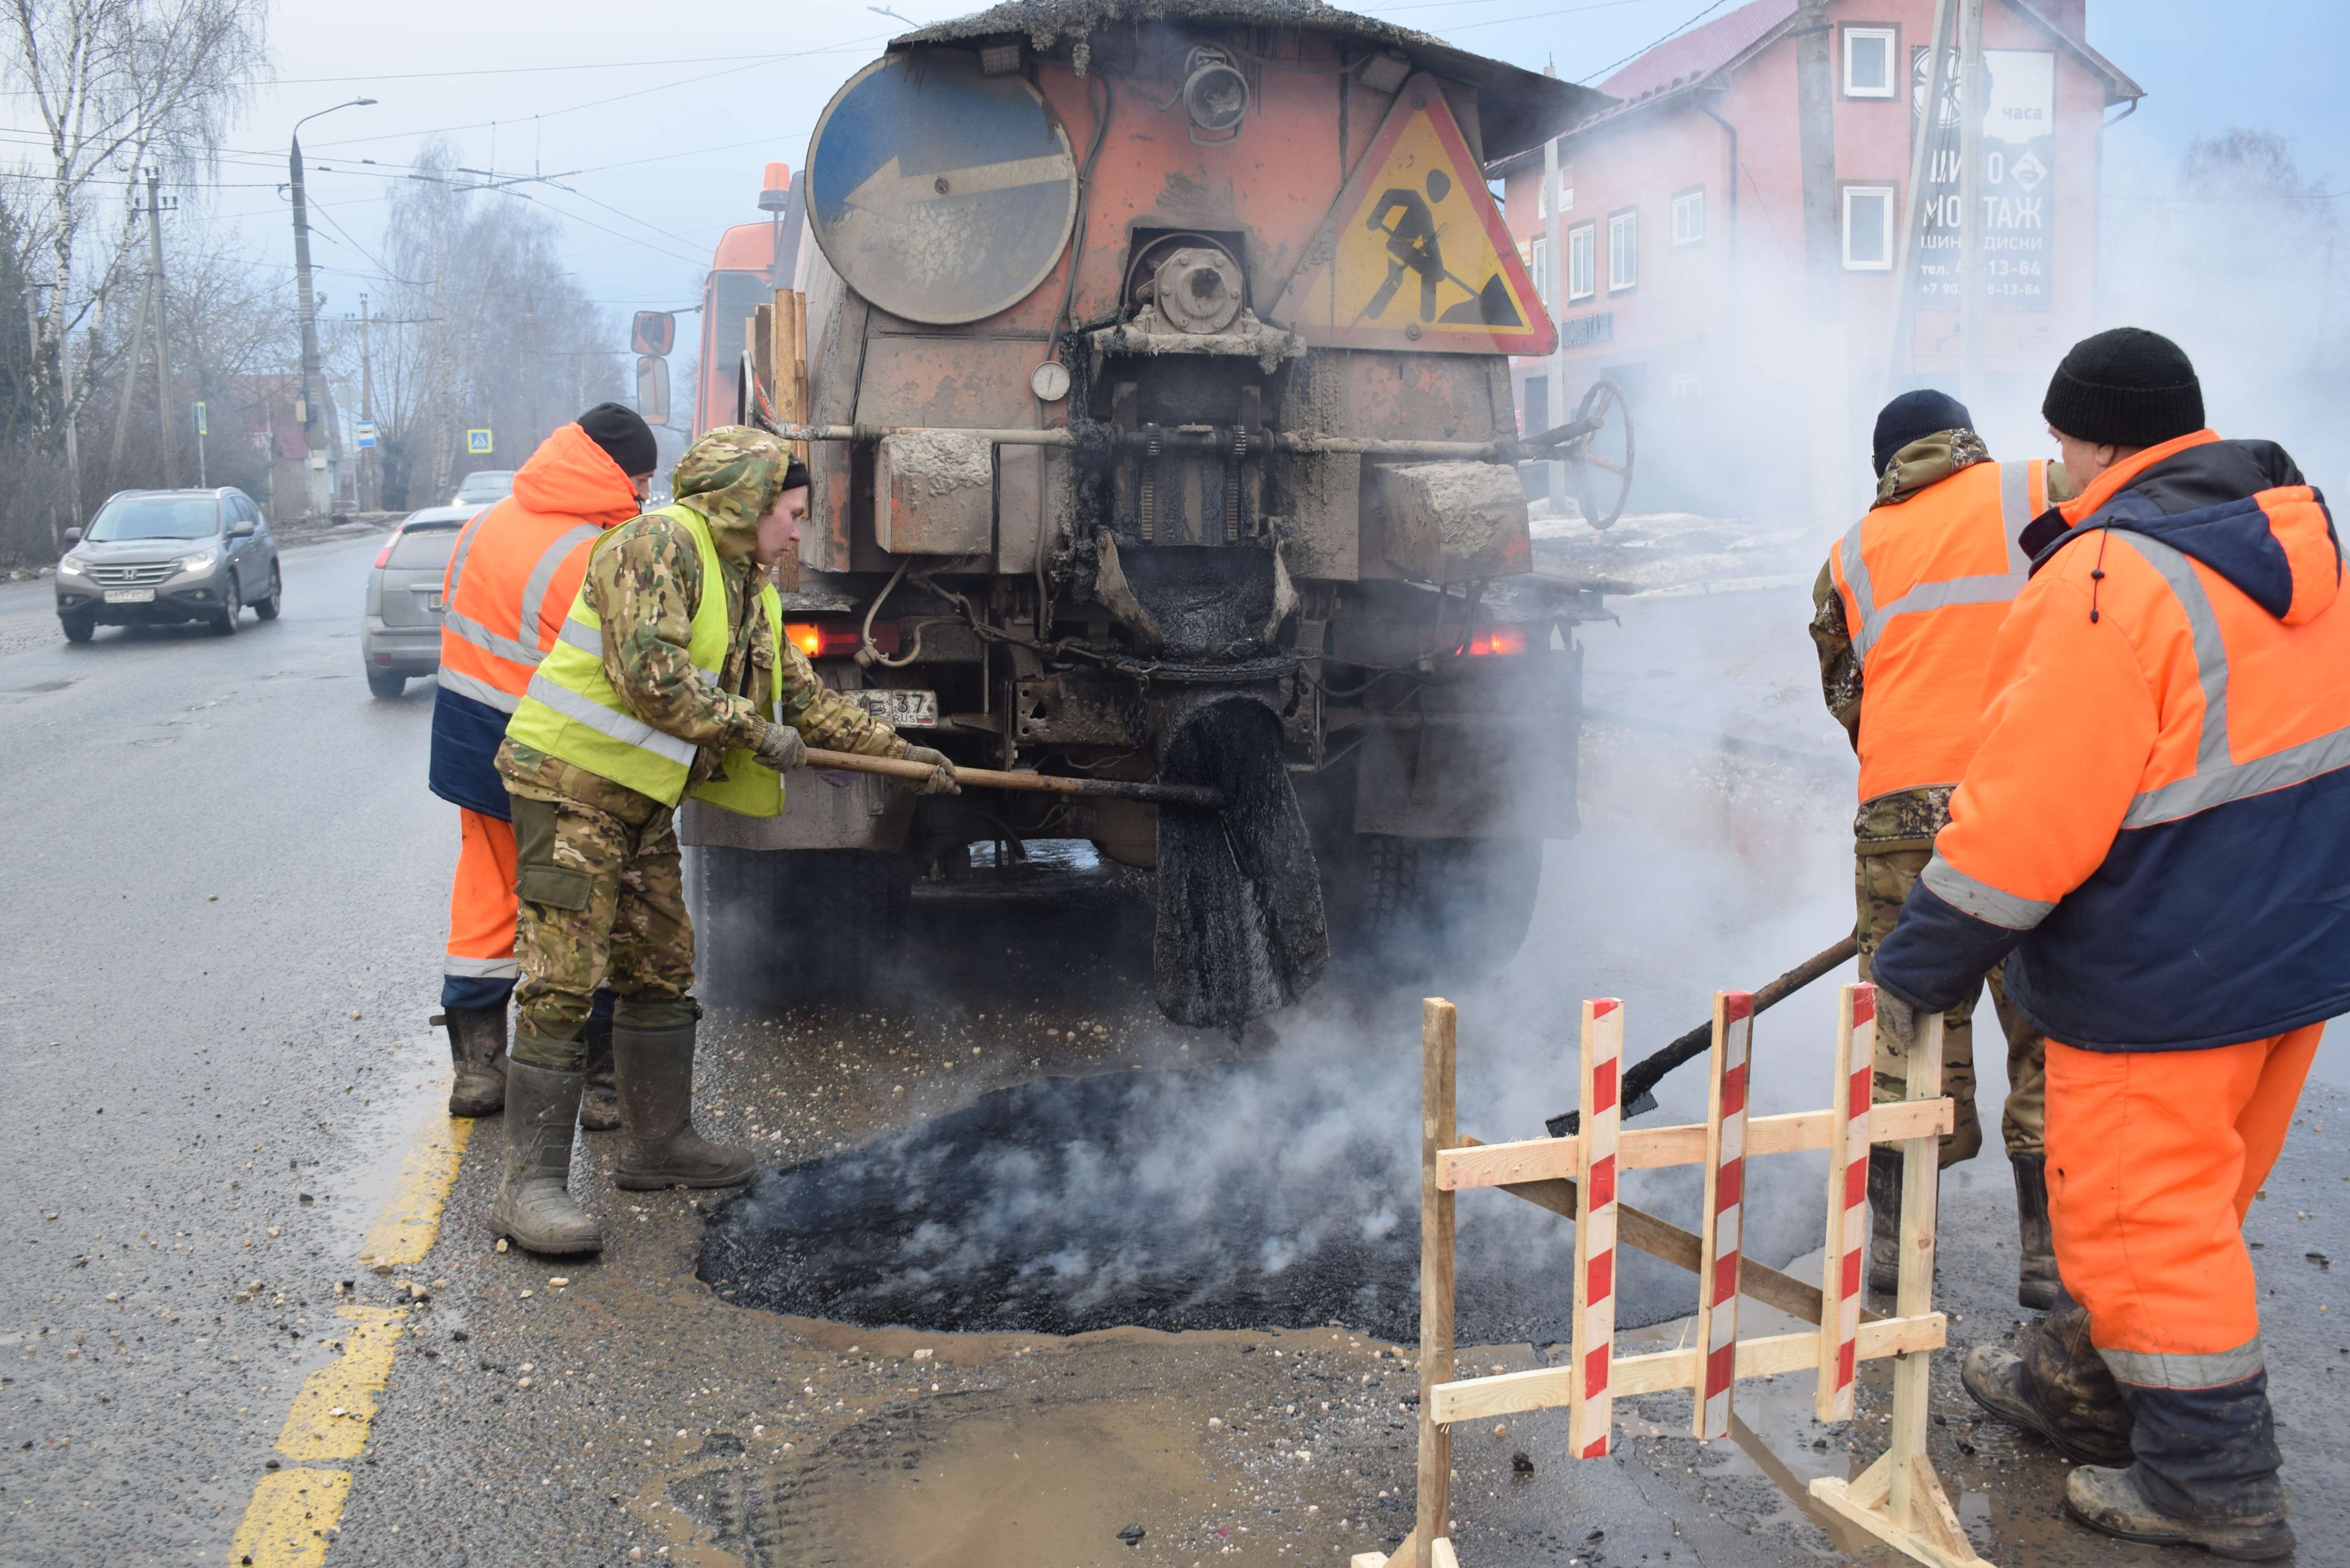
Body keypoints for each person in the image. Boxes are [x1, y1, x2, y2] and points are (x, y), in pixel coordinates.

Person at [1870, 328, 2349, 1560]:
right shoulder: (2292, 540)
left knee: (2141, 1221)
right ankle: (2083, 1388)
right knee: (2191, 1194)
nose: (2056, 465)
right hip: (2289, 950)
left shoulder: (2106, 579)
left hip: (2165, 972)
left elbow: (2026, 823)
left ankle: (2212, 1488)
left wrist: (1923, 958)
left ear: (2096, 437)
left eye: (2062, 440)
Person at [489, 426, 958, 1256]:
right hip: (569, 788)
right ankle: (527, 1189)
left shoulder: (749, 584)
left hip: (638, 803)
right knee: (563, 983)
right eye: (792, 512)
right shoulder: (654, 546)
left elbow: (808, 701)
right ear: (746, 499)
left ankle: (655, 1146)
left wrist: (905, 758)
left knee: (662, 966)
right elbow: (652, 678)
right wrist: (752, 729)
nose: (798, 530)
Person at [1809, 390, 2064, 1308]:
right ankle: (2047, 1256)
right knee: (2047, 1023)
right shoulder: (2045, 486)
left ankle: (1891, 1251)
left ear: (1887, 463)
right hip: (2028, 800)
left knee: (1908, 1021)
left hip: (1897, 822)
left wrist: (1913, 803)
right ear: (1966, 440)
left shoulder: (1849, 553)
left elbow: (1851, 698)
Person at [429, 403, 658, 1124]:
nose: (646, 497)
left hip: (468, 738)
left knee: (486, 900)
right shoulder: (595, 553)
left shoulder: (484, 523)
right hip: (553, 753)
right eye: (643, 481)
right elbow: (620, 672)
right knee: (588, 905)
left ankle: (477, 1076)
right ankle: (598, 1086)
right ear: (616, 473)